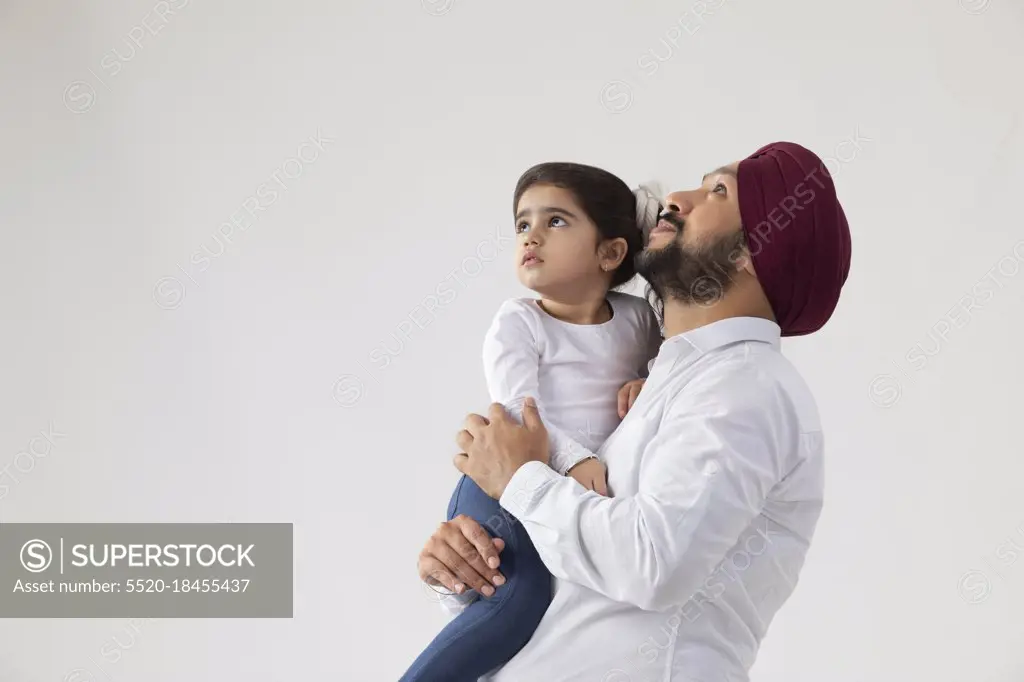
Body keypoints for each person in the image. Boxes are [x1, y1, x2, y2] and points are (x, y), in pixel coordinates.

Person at [418, 141, 852, 681]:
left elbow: (654, 563)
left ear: (753, 248)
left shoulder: (747, 384)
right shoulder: (658, 385)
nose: (677, 198)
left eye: (717, 191)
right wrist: (468, 573)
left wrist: (519, 480)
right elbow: (576, 588)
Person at [399, 162, 666, 681]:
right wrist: (575, 460)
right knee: (515, 604)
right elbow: (520, 414)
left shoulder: (637, 319)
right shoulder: (519, 321)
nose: (532, 236)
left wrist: (648, 381)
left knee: (527, 614)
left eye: (556, 222)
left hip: (550, 491)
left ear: (610, 252)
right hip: (497, 487)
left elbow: (673, 363)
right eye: (522, 224)